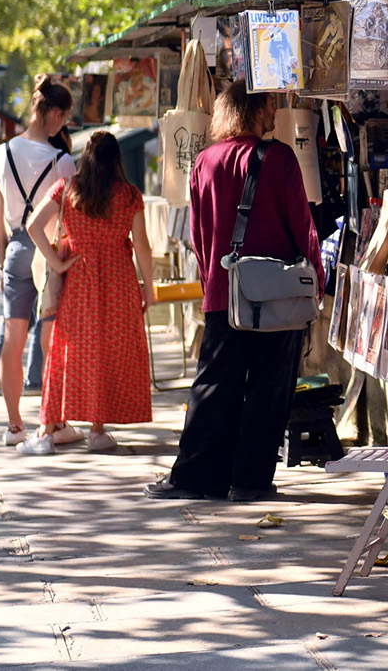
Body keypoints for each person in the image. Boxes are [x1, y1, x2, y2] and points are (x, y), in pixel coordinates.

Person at [144, 81, 322, 502]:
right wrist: (316, 278)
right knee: (269, 388)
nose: (275, 114)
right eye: (269, 106)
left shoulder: (204, 161)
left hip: (225, 294)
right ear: (256, 111)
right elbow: (302, 227)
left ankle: (196, 478)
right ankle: (251, 480)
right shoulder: (279, 158)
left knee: (212, 385)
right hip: (277, 298)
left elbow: (199, 233)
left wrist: (212, 285)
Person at [20, 131, 155, 455]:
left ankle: (46, 433)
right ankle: (97, 430)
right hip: (120, 281)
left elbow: (34, 226)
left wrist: (57, 262)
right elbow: (143, 246)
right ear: (116, 159)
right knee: (110, 352)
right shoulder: (130, 195)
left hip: (80, 282)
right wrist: (148, 288)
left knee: (67, 353)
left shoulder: (68, 189)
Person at [0, 76, 75, 447]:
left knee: (13, 339)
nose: (64, 126)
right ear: (53, 114)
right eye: (64, 119)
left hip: (17, 250)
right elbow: (69, 218)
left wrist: (4, 261)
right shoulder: (62, 161)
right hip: (51, 252)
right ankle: (53, 423)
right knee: (53, 342)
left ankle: (14, 426)